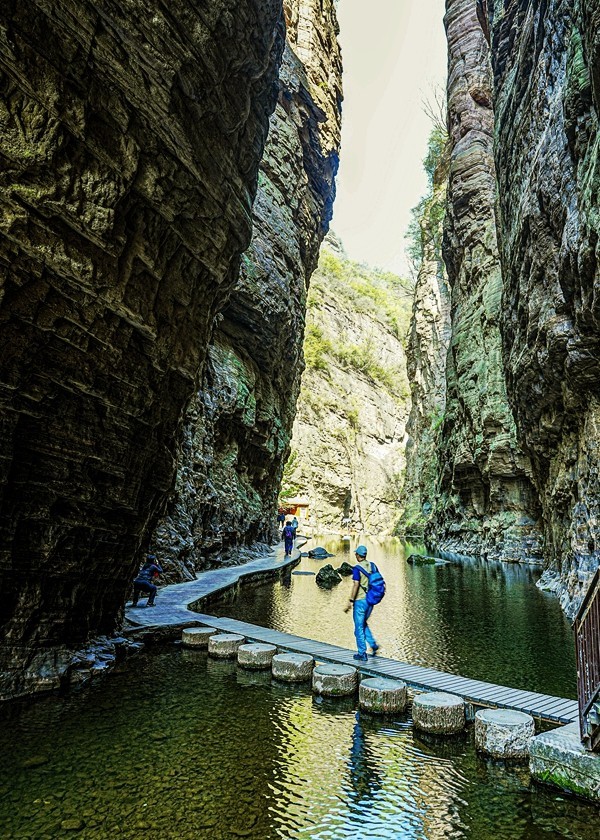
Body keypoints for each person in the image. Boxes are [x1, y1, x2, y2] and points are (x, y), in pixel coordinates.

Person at [343, 545, 379, 661]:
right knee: (363, 624)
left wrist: (350, 600)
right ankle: (373, 645)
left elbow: (356, 584)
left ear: (358, 555)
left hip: (360, 601)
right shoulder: (373, 566)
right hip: (371, 600)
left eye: (356, 554)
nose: (355, 555)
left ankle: (362, 653)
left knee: (358, 627)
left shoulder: (357, 568)